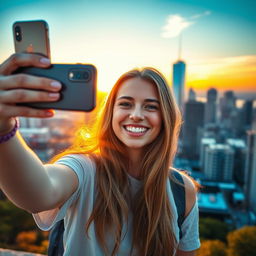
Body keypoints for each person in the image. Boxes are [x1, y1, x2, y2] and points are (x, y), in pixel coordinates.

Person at [0, 53, 200, 256]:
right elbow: (39, 194)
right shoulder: (84, 169)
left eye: (150, 106)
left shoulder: (182, 190)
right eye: (125, 104)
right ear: (111, 112)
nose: (137, 115)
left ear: (166, 117)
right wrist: (3, 127)